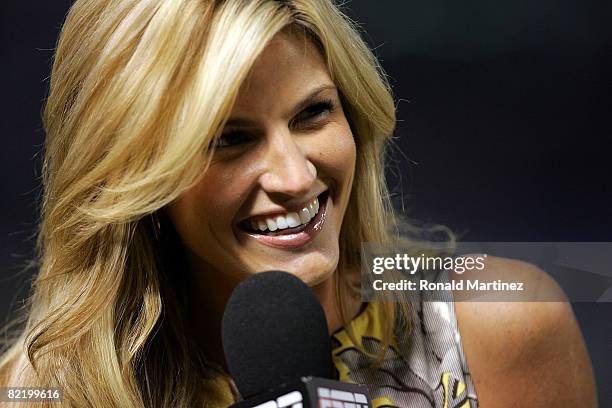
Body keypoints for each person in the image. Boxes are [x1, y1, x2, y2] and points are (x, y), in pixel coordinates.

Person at [0, 0, 596, 407]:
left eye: (313, 113)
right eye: (229, 140)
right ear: (134, 179)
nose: (293, 176)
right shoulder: (45, 389)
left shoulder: (505, 317)